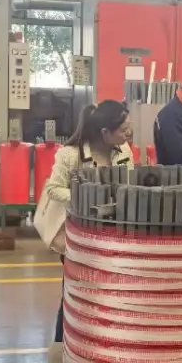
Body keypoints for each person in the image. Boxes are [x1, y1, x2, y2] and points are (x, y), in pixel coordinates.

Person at [35, 100, 134, 342]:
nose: (128, 134)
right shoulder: (70, 155)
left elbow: (129, 186)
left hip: (112, 238)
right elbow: (54, 189)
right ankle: (62, 348)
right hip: (78, 238)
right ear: (105, 132)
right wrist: (89, 198)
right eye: (123, 129)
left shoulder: (124, 152)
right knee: (74, 295)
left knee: (108, 296)